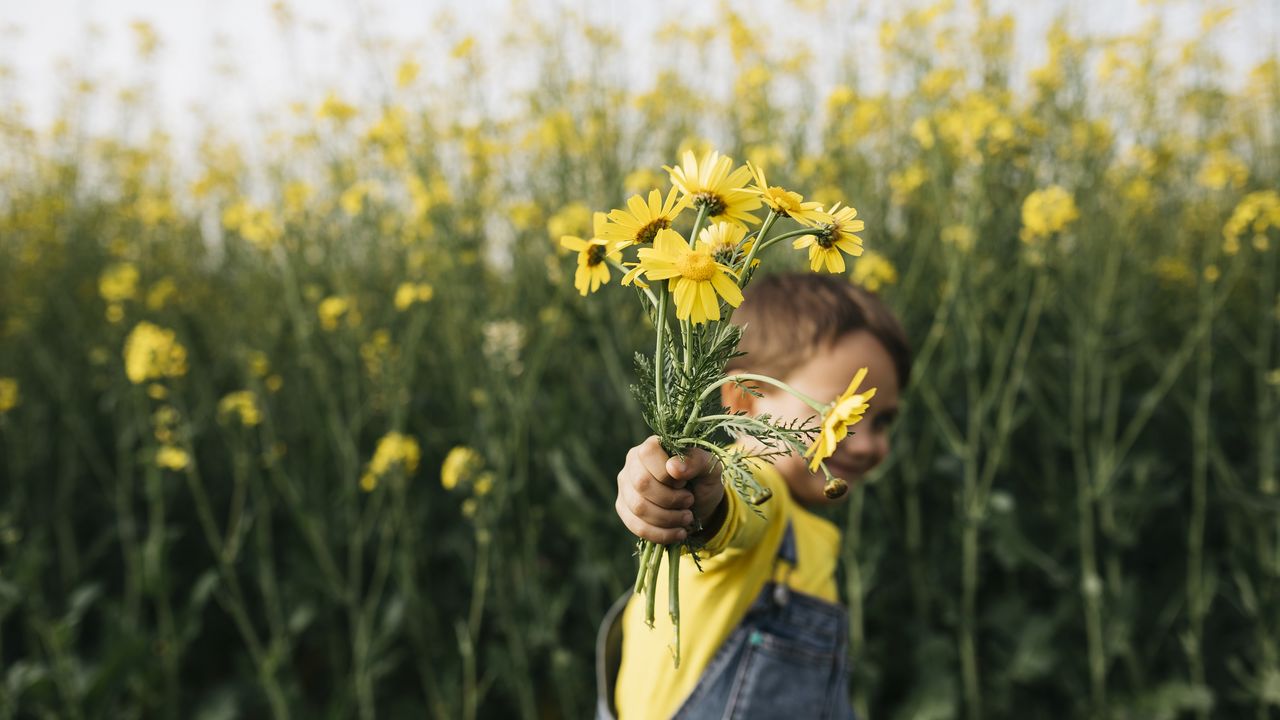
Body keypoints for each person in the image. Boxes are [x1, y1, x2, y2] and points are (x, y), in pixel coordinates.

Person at [596, 272, 912, 720]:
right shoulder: (759, 484)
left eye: (882, 422)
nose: (864, 444)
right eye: (839, 415)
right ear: (744, 400)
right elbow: (737, 505)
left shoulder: (809, 530)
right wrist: (701, 501)